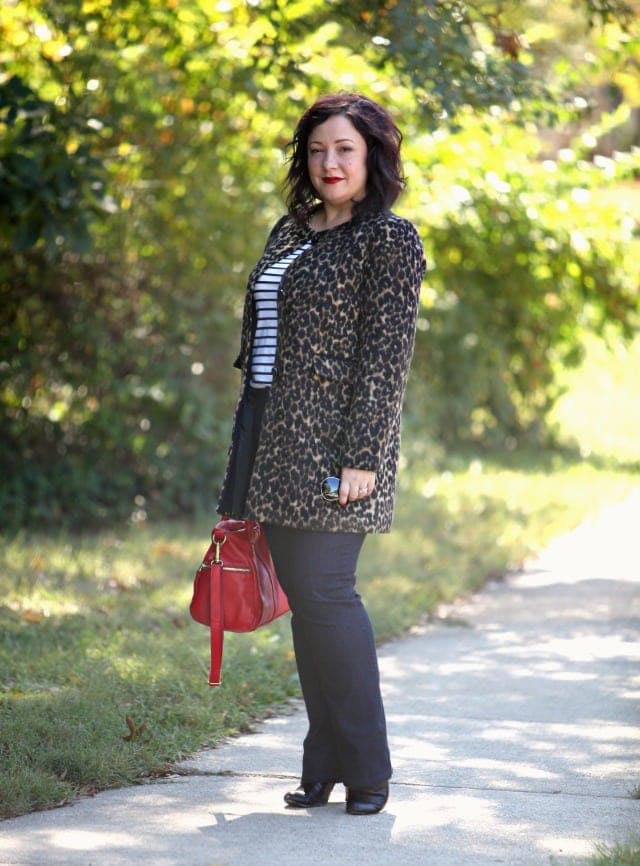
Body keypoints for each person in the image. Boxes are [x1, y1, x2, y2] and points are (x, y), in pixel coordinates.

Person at [217, 92, 425, 816]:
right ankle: (324, 766)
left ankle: (368, 770)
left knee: (330, 597)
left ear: (372, 157)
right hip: (270, 437)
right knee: (307, 609)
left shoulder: (390, 240)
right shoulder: (289, 231)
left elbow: (385, 358)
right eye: (317, 150)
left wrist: (365, 453)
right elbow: (262, 352)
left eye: (345, 149)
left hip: (338, 447)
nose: (329, 163)